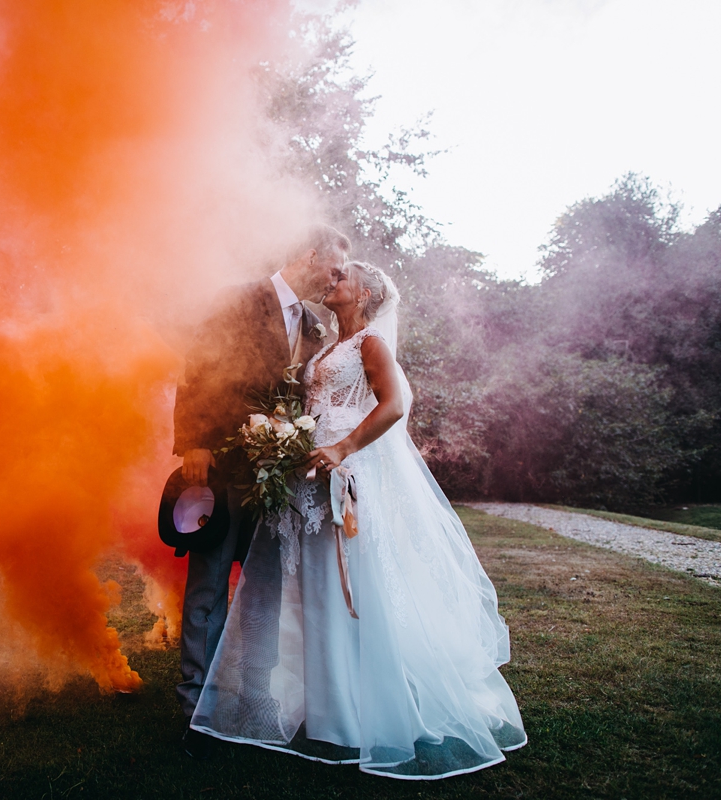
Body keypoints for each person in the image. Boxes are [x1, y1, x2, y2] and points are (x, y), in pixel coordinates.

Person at [189, 262, 527, 779]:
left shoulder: (371, 343)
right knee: (316, 591)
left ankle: (360, 715)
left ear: (364, 293)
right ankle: (328, 714)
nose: (332, 281)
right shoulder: (322, 346)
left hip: (349, 473)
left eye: (343, 277)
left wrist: (343, 447)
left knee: (350, 586)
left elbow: (397, 403)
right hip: (309, 477)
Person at [172, 224, 350, 757]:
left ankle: (254, 696)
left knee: (265, 588)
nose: (336, 280)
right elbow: (198, 364)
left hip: (281, 482)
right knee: (208, 582)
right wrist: (194, 443)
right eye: (335, 268)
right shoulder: (239, 299)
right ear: (311, 254)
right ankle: (196, 698)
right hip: (224, 465)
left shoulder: (318, 329)